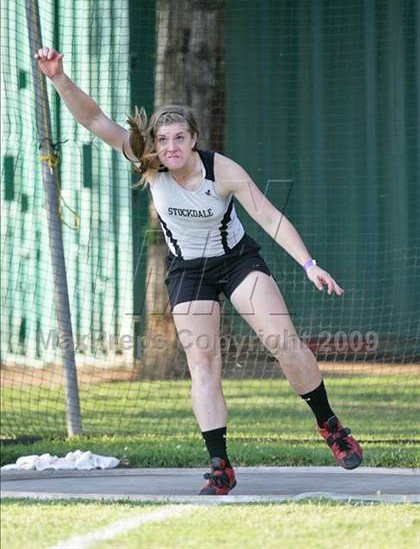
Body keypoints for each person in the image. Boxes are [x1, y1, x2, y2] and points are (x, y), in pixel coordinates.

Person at [35, 47, 363, 495]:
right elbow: (94, 120)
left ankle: (330, 426)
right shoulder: (148, 163)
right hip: (189, 271)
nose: (170, 147)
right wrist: (58, 78)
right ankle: (220, 465)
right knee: (202, 363)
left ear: (193, 139)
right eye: (162, 139)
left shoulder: (221, 170)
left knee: (284, 343)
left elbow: (269, 217)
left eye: (178, 138)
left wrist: (308, 264)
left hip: (237, 262)